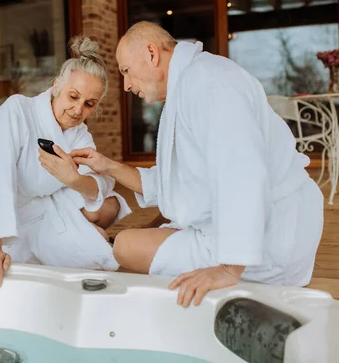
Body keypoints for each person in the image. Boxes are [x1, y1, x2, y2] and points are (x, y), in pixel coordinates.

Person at [71, 21, 324, 307]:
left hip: (270, 239)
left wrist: (229, 267)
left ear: (152, 54)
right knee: (131, 241)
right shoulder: (190, 84)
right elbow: (170, 183)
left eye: (127, 71)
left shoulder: (209, 83)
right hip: (247, 228)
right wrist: (107, 166)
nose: (127, 86)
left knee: (126, 246)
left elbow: (243, 173)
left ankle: (239, 271)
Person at [0, 36, 132, 290]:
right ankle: (81, 231)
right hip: (15, 219)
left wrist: (74, 179)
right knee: (99, 241)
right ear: (57, 85)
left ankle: (83, 228)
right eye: (73, 96)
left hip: (51, 209)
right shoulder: (17, 111)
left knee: (107, 210)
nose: (78, 110)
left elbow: (101, 181)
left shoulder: (79, 132)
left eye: (89, 104)